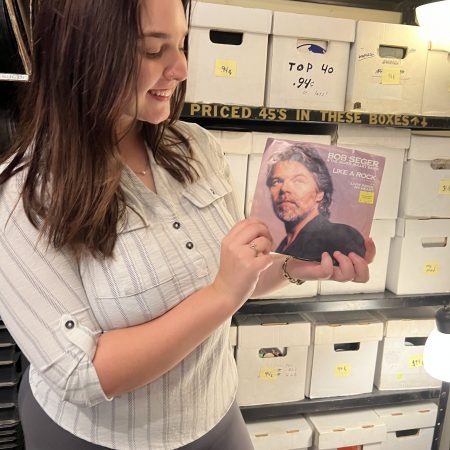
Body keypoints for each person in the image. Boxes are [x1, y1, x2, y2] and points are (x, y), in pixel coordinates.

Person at [0, 1, 375, 449]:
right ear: (84, 55)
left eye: (180, 44)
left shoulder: (195, 147)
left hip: (215, 413)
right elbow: (80, 375)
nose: (180, 67)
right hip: (100, 437)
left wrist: (295, 268)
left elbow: (231, 276)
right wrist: (221, 296)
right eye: (152, 50)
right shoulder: (23, 198)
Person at [267, 143, 366, 264]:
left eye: (298, 180)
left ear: (320, 193)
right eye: (277, 181)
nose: (284, 188)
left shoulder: (341, 238)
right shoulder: (283, 245)